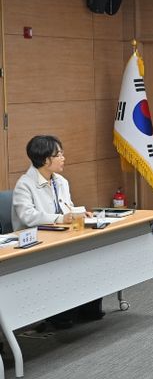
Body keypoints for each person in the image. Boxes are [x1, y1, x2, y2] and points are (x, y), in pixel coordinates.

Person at [11, 135, 103, 328]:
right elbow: (28, 217)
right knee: (66, 265)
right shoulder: (25, 184)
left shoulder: (60, 181)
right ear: (46, 160)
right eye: (59, 154)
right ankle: (60, 315)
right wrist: (61, 218)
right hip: (36, 243)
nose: (63, 158)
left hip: (60, 236)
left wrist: (79, 213)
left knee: (90, 257)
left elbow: (66, 207)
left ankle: (87, 308)